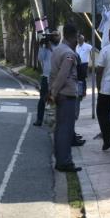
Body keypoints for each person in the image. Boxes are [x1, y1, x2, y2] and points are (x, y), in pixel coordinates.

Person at [49, 24, 82, 172]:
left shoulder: (57, 50)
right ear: (71, 36)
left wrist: (52, 91)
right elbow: (62, 76)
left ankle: (60, 159)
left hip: (60, 94)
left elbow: (53, 74)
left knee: (60, 128)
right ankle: (65, 162)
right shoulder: (69, 54)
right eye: (76, 37)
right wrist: (54, 93)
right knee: (66, 130)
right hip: (66, 94)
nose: (77, 41)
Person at [34, 31, 58, 127]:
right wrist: (41, 46)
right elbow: (40, 58)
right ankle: (39, 119)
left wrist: (50, 48)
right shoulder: (46, 48)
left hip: (56, 77)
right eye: (53, 35)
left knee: (56, 98)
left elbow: (57, 57)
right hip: (46, 76)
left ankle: (55, 120)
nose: (54, 37)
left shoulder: (60, 48)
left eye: (56, 35)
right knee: (42, 99)